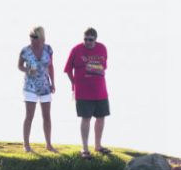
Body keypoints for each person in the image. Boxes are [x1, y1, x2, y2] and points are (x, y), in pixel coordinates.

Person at [63, 27, 111, 159]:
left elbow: (104, 66)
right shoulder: (76, 49)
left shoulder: (102, 48)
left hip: (101, 91)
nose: (87, 42)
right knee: (86, 119)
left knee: (101, 118)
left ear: (95, 39)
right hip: (83, 92)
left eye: (90, 39)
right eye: (85, 39)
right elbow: (67, 69)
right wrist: (74, 83)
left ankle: (98, 146)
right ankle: (84, 149)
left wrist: (94, 68)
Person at [18, 25, 57, 153]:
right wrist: (27, 70)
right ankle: (26, 145)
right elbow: (19, 66)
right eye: (31, 36)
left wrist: (53, 83)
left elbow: (51, 67)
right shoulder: (25, 50)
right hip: (30, 87)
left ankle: (49, 145)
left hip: (45, 86)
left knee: (47, 116)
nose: (32, 39)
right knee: (29, 116)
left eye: (35, 37)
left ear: (41, 37)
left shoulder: (48, 49)